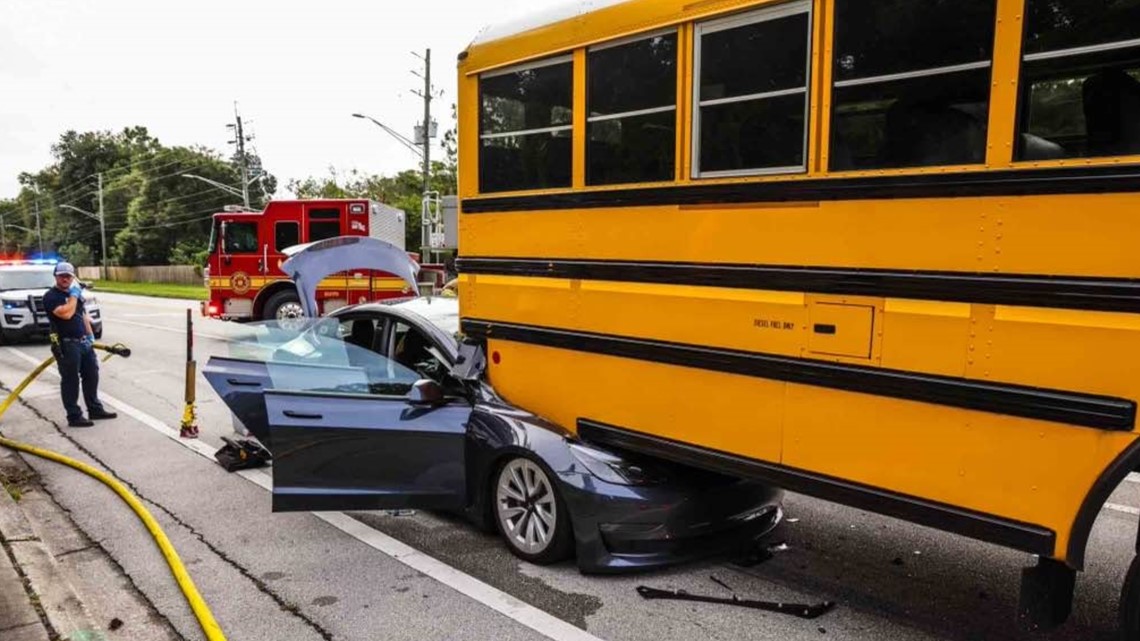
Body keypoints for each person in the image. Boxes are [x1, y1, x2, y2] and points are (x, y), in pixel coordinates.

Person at [42, 262, 116, 427]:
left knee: (91, 375)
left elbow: (82, 315)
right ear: (56, 276)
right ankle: (74, 416)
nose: (65, 279)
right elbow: (67, 314)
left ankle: (95, 409)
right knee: (71, 380)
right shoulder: (51, 296)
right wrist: (74, 296)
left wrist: (90, 336)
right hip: (66, 344)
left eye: (68, 276)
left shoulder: (74, 296)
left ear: (72, 277)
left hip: (83, 342)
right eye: (62, 276)